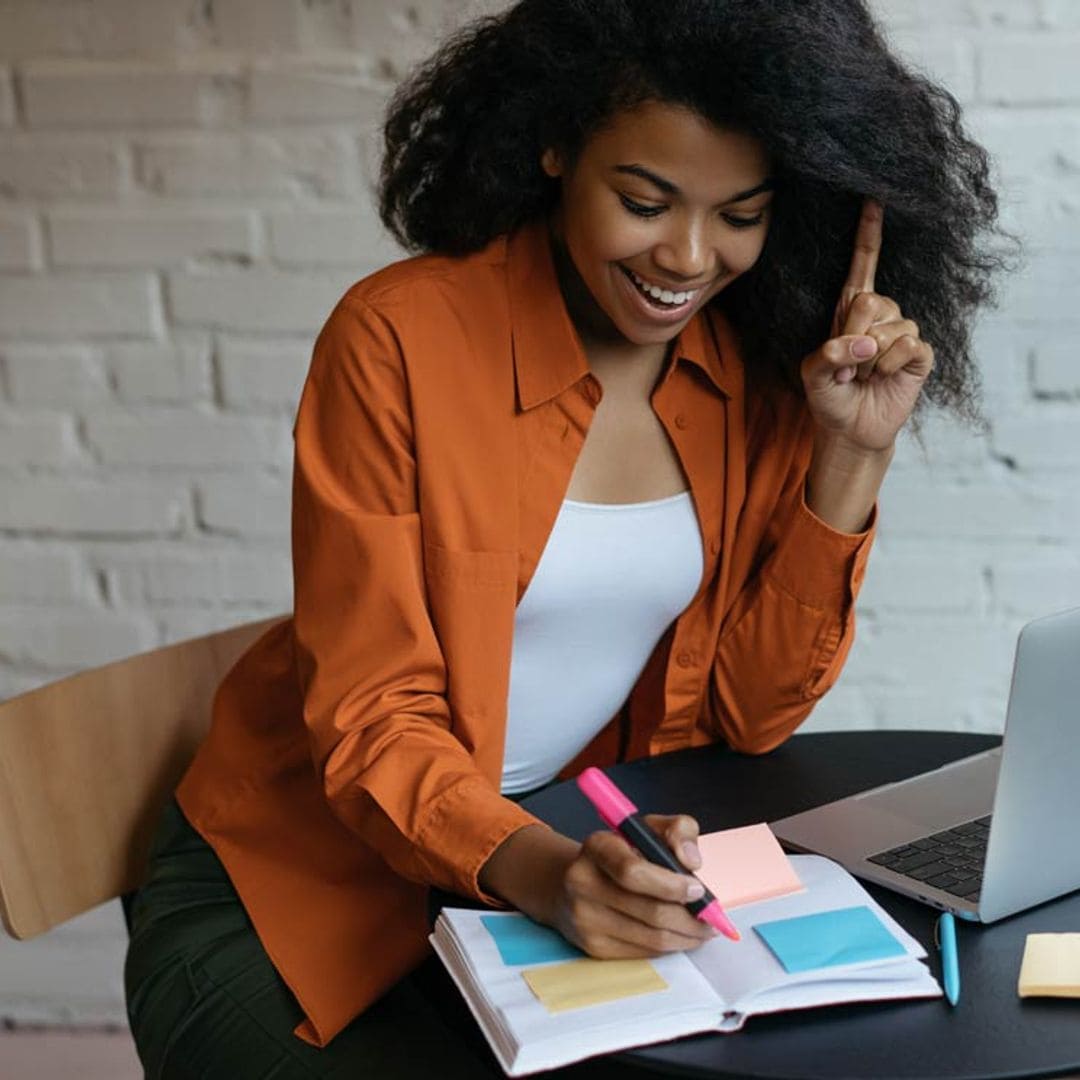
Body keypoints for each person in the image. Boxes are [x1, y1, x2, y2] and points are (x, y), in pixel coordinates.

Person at [124, 1, 1009, 1076]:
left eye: (742, 212)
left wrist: (852, 453)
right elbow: (374, 719)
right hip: (299, 888)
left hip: (558, 871)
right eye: (645, 200)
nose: (689, 256)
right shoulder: (400, 339)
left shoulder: (759, 367)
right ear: (553, 145)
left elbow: (752, 714)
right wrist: (546, 872)